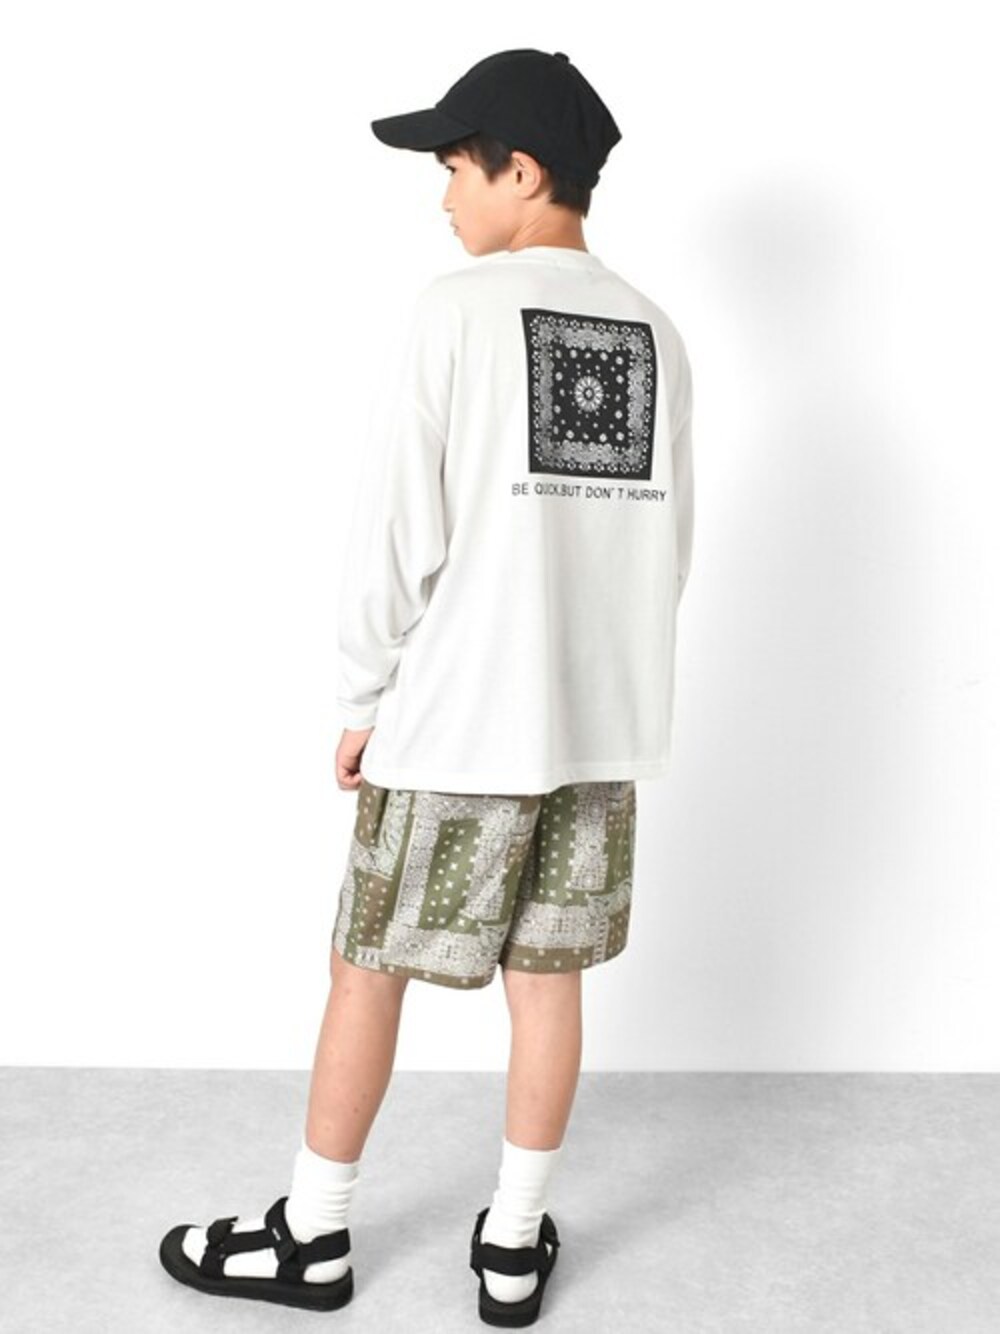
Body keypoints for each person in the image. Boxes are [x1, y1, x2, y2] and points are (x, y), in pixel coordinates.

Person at [159, 47, 694, 1327]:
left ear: (524, 171)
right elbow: (667, 548)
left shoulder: (455, 311)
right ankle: (511, 1246)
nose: (442, 194)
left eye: (456, 166)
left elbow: (397, 528)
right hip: (594, 734)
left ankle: (313, 1231)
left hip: (460, 720)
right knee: (548, 980)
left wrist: (364, 693)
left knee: (366, 964)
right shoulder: (655, 332)